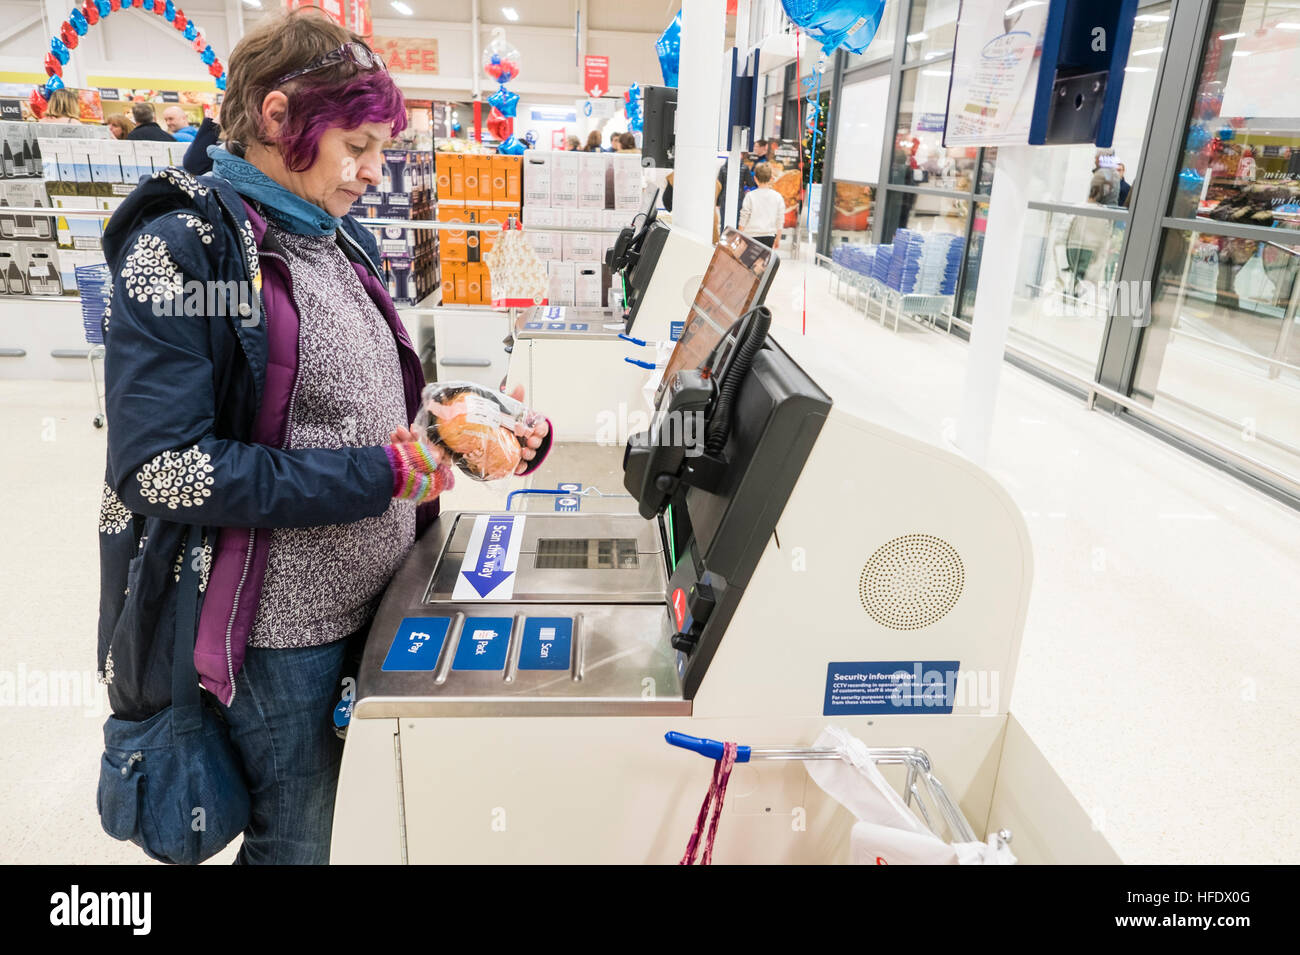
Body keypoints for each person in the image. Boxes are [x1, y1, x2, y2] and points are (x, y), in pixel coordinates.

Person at [96, 7, 552, 865]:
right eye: (357, 147)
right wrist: (383, 473)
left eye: (382, 149)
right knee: (302, 840)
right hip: (281, 633)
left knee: (365, 821)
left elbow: (370, 412)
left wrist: (472, 425)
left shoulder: (338, 239)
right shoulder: (184, 250)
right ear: (276, 120)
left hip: (384, 592)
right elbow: (163, 468)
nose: (374, 173)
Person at [738, 161, 785, 249]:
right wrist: (778, 239)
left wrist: (740, 237)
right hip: (769, 236)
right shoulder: (777, 197)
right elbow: (780, 220)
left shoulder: (750, 196)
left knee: (750, 262)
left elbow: (744, 217)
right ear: (771, 178)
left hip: (751, 236)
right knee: (765, 263)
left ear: (755, 178)